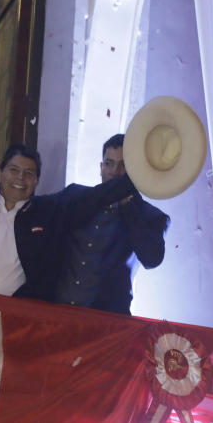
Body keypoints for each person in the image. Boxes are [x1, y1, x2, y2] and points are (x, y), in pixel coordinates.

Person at [0, 82, 138, 300]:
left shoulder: (48, 212)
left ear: (37, 181)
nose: (20, 177)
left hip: (6, 325)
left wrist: (143, 174)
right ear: (0, 175)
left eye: (29, 173)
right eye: (14, 170)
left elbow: (95, 197)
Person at [55, 134, 169, 314]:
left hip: (108, 324)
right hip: (56, 314)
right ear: (101, 167)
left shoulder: (150, 215)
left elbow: (152, 258)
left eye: (123, 165)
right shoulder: (75, 196)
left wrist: (127, 204)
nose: (115, 171)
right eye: (109, 163)